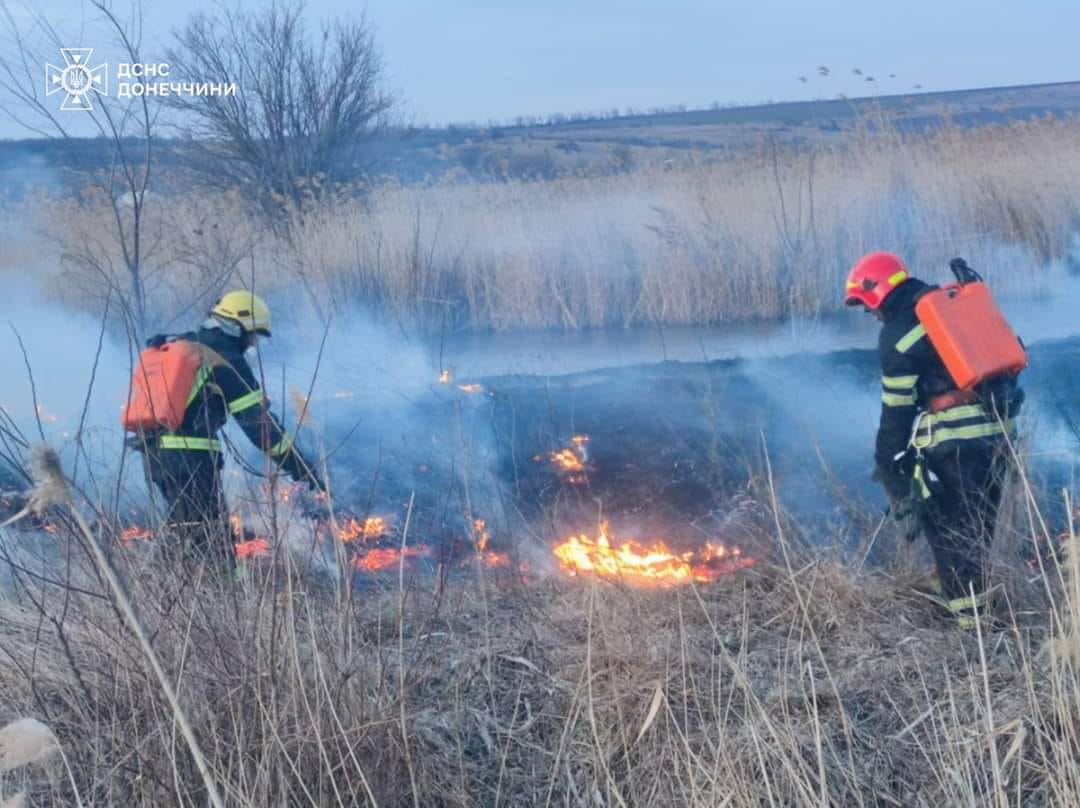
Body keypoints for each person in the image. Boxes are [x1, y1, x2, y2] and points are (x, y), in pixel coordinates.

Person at [844, 252, 1018, 628]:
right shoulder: (950, 304)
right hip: (998, 437)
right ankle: (970, 607)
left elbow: (896, 410)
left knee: (951, 533)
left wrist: (887, 463)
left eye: (866, 305)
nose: (870, 314)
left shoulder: (898, 332)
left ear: (877, 292)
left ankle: (973, 629)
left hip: (953, 444)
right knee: (978, 527)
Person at [137, 291, 324, 567]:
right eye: (252, 336)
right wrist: (299, 465)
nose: (251, 345)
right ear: (237, 328)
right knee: (211, 539)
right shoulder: (224, 359)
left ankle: (157, 582)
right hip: (190, 459)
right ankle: (218, 586)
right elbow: (259, 426)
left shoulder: (184, 344)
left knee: (186, 529)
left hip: (155, 454)